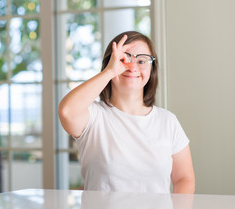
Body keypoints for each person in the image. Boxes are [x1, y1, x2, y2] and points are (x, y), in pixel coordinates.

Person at [58, 31, 195, 194]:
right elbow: (67, 111)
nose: (132, 66)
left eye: (142, 60)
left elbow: (184, 179)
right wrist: (109, 72)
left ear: (152, 69)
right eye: (124, 59)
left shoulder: (168, 121)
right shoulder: (94, 116)